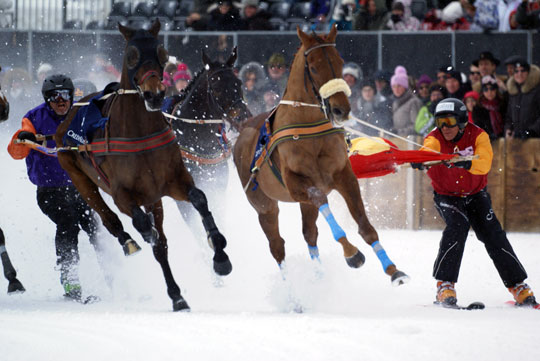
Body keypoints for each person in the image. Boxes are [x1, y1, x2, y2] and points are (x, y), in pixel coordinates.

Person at [411, 98, 537, 307]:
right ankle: (445, 285)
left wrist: (465, 161)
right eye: (440, 122)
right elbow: (428, 151)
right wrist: (421, 159)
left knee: (493, 235)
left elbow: (485, 163)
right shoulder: (433, 138)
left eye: (450, 121)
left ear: (461, 121)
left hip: (476, 194)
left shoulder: (478, 135)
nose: (445, 127)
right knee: (457, 226)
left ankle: (518, 285)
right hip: (447, 196)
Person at [7, 74, 99, 301]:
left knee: (95, 228)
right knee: (67, 224)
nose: (61, 101)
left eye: (65, 95)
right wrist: (22, 138)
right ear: (47, 99)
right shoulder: (34, 118)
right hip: (49, 191)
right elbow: (15, 151)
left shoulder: (79, 116)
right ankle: (70, 280)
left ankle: (116, 277)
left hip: (78, 187)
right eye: (55, 97)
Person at [505, 58, 540, 138]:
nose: (519, 74)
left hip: (536, 140)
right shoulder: (513, 92)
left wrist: (531, 132)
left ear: (528, 72)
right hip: (517, 141)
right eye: (516, 71)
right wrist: (508, 129)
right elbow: (509, 117)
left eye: (523, 70)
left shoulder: (537, 90)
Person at [390, 65, 422, 136]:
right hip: (399, 141)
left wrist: (399, 132)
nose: (396, 89)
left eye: (399, 86)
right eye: (394, 86)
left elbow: (416, 126)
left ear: (405, 87)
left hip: (411, 142)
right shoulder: (395, 102)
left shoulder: (414, 102)